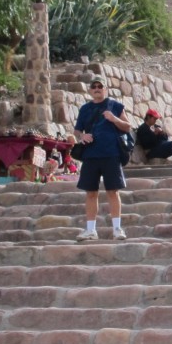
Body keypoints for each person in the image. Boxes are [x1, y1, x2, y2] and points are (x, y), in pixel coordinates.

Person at [72, 75, 132, 241]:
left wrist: (114, 119)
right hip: (90, 155)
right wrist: (82, 136)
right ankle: (90, 230)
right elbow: (77, 131)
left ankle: (117, 229)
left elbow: (127, 127)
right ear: (91, 90)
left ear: (106, 89)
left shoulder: (115, 106)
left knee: (113, 191)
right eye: (94, 86)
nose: (97, 89)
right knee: (91, 193)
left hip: (111, 154)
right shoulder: (84, 109)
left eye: (100, 86)